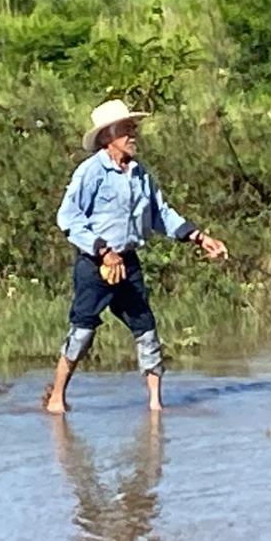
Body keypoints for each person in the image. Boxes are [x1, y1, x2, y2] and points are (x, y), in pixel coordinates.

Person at [45, 99, 227, 414]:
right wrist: (102, 250)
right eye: (126, 129)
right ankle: (57, 397)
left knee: (145, 327)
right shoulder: (90, 172)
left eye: (133, 128)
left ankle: (156, 403)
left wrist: (199, 237)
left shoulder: (140, 174)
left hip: (128, 262)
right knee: (83, 331)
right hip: (95, 264)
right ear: (107, 137)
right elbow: (69, 218)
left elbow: (161, 213)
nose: (133, 134)